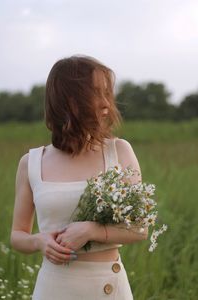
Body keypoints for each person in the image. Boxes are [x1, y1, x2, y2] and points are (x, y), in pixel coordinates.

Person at [10, 55, 148, 300]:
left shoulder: (120, 151)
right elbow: (18, 235)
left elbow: (140, 228)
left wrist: (92, 230)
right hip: (54, 288)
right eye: (97, 93)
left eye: (108, 93)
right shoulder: (30, 163)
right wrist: (39, 242)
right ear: (69, 100)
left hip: (109, 288)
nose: (107, 103)